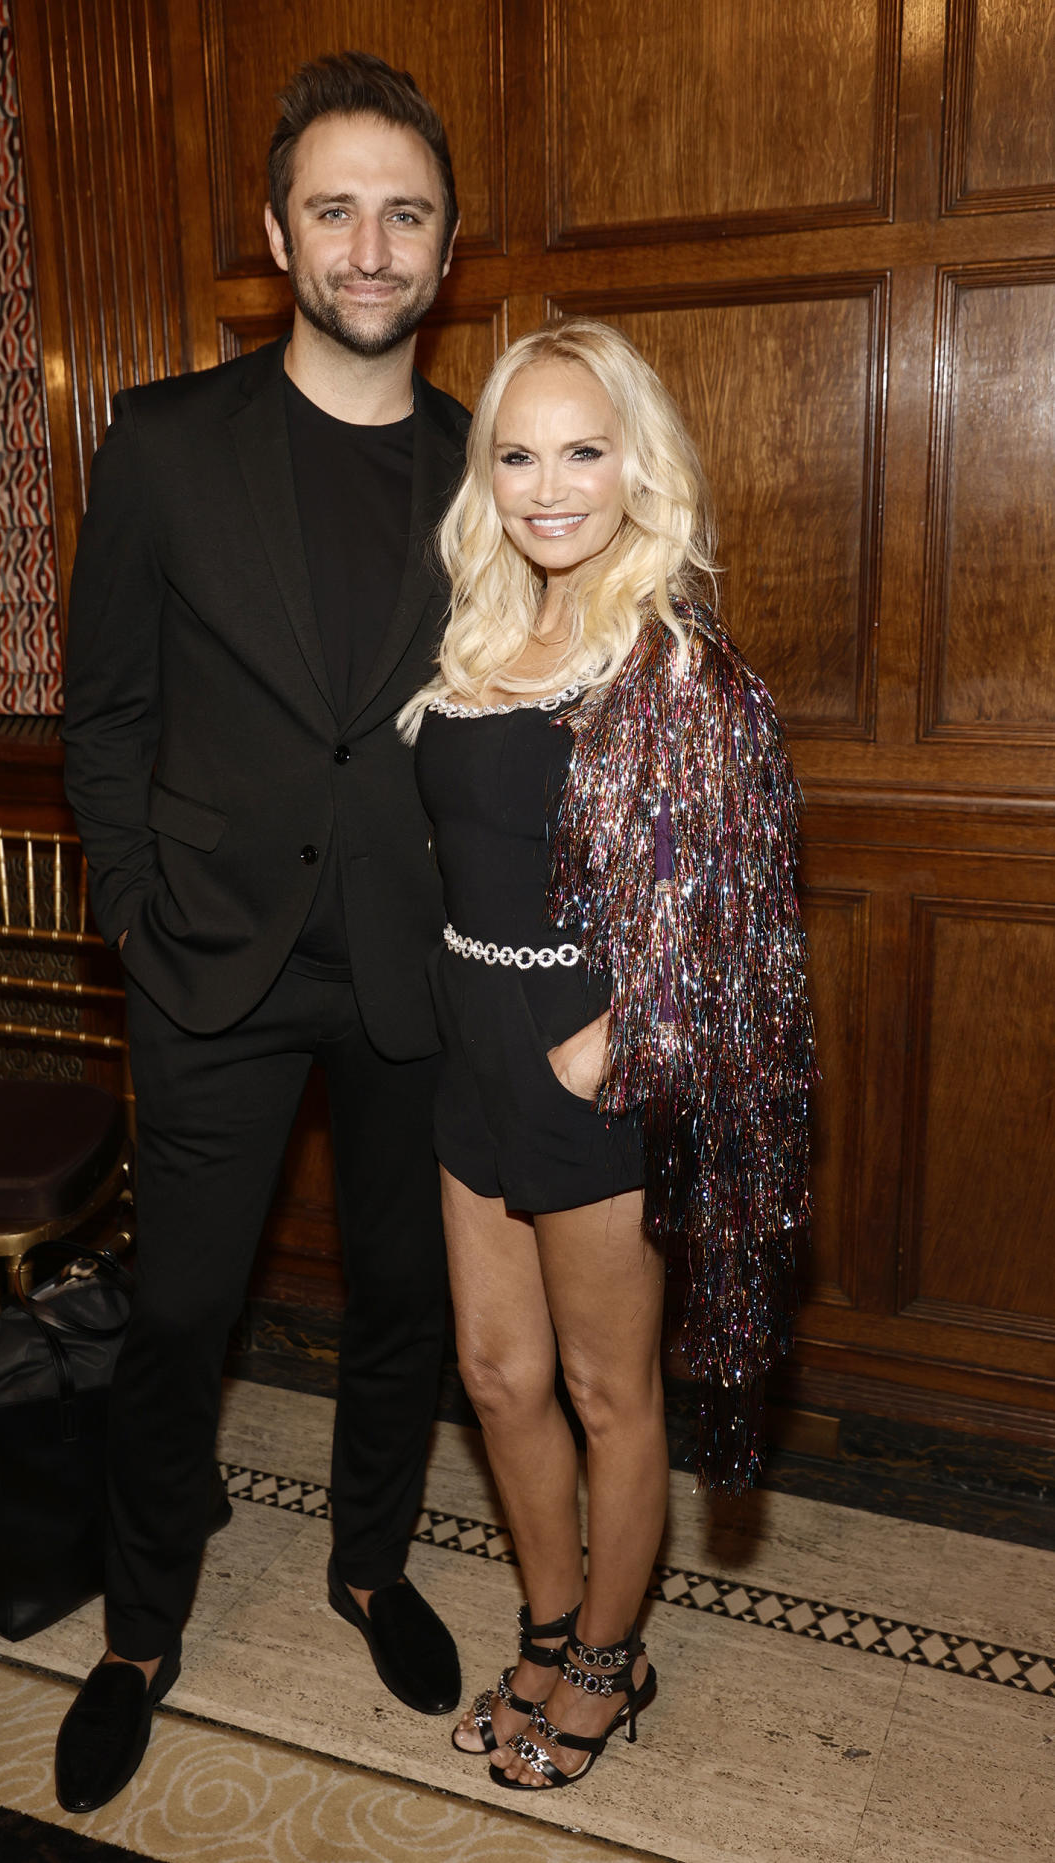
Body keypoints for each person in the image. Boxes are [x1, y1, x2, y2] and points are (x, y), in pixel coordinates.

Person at [57, 52, 470, 1814]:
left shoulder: (491, 463)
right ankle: (140, 1628)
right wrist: (136, 916)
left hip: (417, 968)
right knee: (181, 1317)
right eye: (335, 208)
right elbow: (104, 716)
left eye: (405, 213)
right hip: (211, 964)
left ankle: (367, 1564)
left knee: (404, 1303)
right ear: (275, 232)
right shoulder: (159, 441)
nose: (368, 246)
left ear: (444, 248)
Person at [401, 318, 816, 1790]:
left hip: (593, 1066)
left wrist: (606, 1053)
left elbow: (739, 921)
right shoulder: (472, 638)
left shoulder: (671, 666)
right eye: (516, 453)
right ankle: (550, 1615)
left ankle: (606, 1662)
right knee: (497, 1378)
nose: (548, 483)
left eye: (582, 449)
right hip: (467, 1043)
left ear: (636, 464)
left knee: (604, 1389)